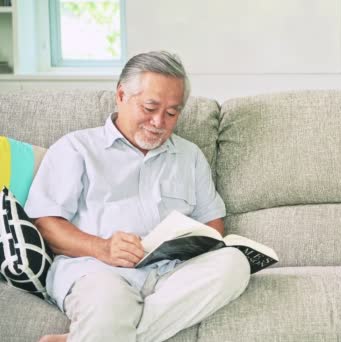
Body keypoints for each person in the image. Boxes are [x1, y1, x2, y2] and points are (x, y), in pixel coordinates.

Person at [25, 51, 251, 342]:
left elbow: (213, 222)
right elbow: (44, 222)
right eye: (150, 107)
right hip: (99, 271)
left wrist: (194, 244)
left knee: (234, 264)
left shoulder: (189, 156)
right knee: (109, 304)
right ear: (121, 95)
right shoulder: (76, 148)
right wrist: (102, 247)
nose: (159, 122)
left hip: (172, 275)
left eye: (172, 113)